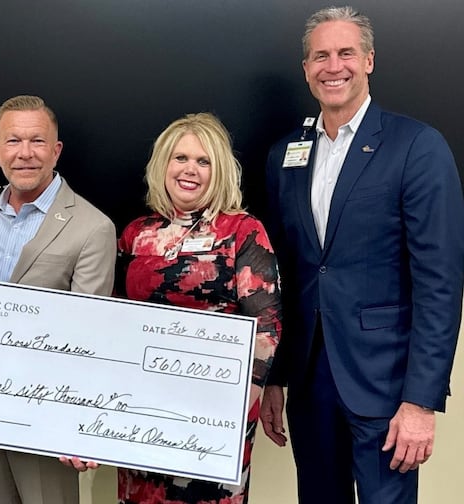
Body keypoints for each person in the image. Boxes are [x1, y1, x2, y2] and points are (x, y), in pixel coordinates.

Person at [261, 6, 464, 504]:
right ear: (306, 69)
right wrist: (275, 378)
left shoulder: (417, 146)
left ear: (369, 60)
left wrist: (420, 402)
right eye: (321, 56)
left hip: (386, 383)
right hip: (310, 381)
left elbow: (440, 281)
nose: (334, 66)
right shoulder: (284, 154)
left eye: (346, 53)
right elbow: (285, 272)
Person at [107, 112, 281, 503]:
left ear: (218, 171)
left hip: (214, 415)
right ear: (163, 165)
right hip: (142, 410)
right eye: (180, 158)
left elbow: (266, 330)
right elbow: (112, 320)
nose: (190, 170)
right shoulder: (135, 234)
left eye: (203, 161)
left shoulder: (242, 231)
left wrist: (234, 409)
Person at [0, 95, 117, 504]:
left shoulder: (92, 226)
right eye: (12, 141)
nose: (24, 153)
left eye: (37, 141)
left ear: (56, 150)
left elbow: (90, 335)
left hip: (46, 408)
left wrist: (78, 421)